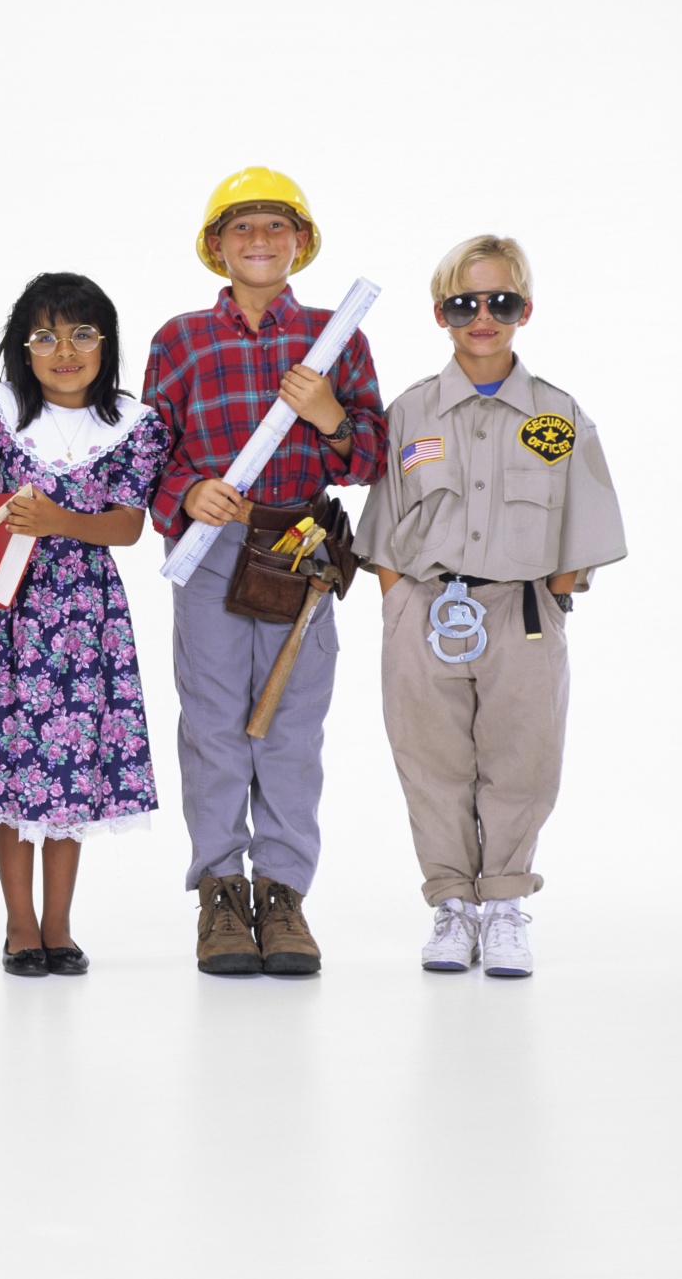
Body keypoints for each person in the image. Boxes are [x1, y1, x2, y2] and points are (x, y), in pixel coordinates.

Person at [353, 235, 624, 977]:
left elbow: (585, 522)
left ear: (525, 310)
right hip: (425, 608)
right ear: (440, 312)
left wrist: (549, 599)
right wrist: (402, 605)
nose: (483, 317)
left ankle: (504, 904)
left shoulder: (557, 414)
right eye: (464, 303)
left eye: (500, 301)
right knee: (430, 760)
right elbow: (383, 525)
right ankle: (451, 905)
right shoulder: (410, 413)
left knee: (522, 758)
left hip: (523, 614)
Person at [142, 167, 386, 976]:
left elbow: (373, 455)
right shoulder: (180, 339)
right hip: (213, 554)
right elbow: (152, 454)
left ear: (301, 243)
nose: (258, 241)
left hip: (301, 553)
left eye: (275, 228)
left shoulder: (335, 336)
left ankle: (282, 894)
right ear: (216, 246)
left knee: (290, 728)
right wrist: (190, 491)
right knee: (213, 722)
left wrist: (328, 416)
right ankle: (220, 893)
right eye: (241, 228)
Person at [0, 273, 169, 976]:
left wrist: (59, 520)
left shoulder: (132, 423)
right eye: (46, 335)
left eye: (83, 333)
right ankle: (19, 922)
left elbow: (127, 525)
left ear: (106, 343)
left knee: (71, 768)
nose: (65, 350)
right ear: (22, 349)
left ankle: (59, 922)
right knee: (10, 761)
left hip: (86, 616)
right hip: (6, 608)